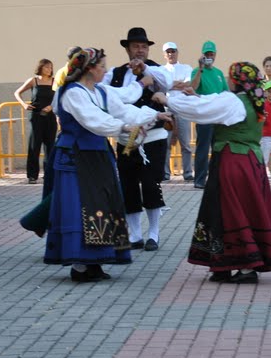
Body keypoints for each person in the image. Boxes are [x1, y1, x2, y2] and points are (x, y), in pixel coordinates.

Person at [44, 48, 169, 282]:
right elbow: (93, 119)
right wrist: (122, 128)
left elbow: (124, 107)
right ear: (89, 69)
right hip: (76, 158)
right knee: (81, 206)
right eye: (101, 66)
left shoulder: (100, 91)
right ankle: (79, 265)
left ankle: (96, 260)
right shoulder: (72, 93)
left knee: (100, 204)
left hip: (97, 155)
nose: (105, 70)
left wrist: (153, 116)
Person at [165, 62, 271, 284]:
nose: (227, 80)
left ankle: (246, 267)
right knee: (234, 210)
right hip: (251, 162)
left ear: (236, 80)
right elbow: (210, 105)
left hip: (232, 162)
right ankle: (223, 264)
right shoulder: (252, 101)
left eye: (230, 77)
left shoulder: (233, 101)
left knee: (231, 211)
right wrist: (194, 96)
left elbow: (202, 111)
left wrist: (168, 99)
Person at [104, 27, 174, 251]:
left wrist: (145, 70)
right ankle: (135, 234)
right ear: (127, 49)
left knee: (151, 184)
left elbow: (167, 82)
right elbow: (107, 94)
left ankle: (153, 233)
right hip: (126, 139)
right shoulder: (115, 73)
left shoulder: (156, 70)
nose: (140, 50)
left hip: (153, 137)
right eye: (136, 46)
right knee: (128, 185)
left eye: (144, 46)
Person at [190, 40, 227, 189]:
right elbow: (193, 87)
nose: (209, 56)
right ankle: (199, 180)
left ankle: (215, 178)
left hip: (218, 116)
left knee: (218, 149)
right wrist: (200, 69)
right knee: (203, 148)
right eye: (207, 54)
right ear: (202, 55)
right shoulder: (196, 71)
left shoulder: (218, 73)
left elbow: (225, 92)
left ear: (215, 54)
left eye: (211, 53)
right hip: (204, 116)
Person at [14, 59, 57, 185]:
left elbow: (60, 96)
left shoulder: (55, 82)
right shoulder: (34, 80)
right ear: (41, 68)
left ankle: (49, 173)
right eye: (46, 67)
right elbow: (17, 92)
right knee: (35, 145)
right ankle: (32, 175)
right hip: (36, 115)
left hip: (50, 116)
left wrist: (52, 106)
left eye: (50, 67)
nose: (49, 70)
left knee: (50, 145)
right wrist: (23, 105)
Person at [162, 42, 194, 181]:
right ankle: (165, 173)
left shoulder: (186, 68)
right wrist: (177, 84)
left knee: (185, 144)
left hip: (183, 109)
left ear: (177, 52)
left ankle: (187, 173)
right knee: (166, 144)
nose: (170, 54)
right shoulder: (161, 70)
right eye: (168, 52)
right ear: (164, 54)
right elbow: (162, 86)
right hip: (167, 110)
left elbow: (188, 85)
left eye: (173, 51)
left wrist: (170, 84)